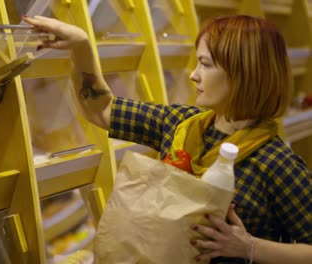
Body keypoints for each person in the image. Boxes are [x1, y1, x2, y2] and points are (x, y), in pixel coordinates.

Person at [23, 14, 312, 263]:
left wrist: (248, 247)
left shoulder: (276, 163)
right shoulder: (180, 124)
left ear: (242, 73)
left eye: (206, 64)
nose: (194, 76)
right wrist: (81, 46)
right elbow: (102, 108)